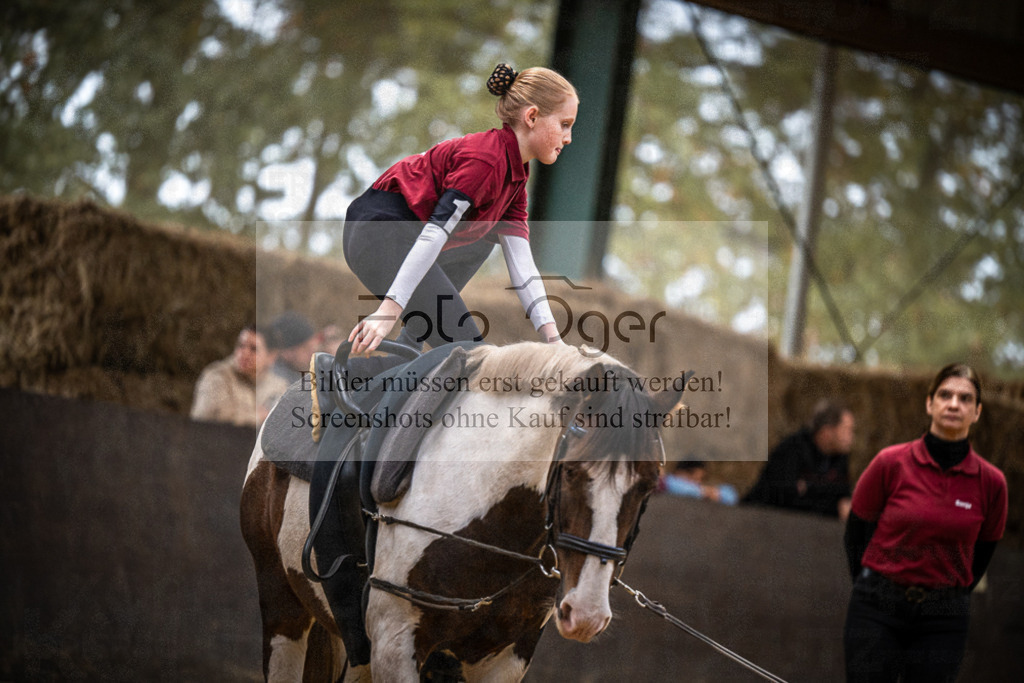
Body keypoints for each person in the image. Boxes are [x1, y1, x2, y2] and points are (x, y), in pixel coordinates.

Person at [343, 63, 578, 360]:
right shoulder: (486, 159)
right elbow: (433, 235)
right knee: (473, 357)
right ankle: (342, 382)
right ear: (532, 116)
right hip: (379, 232)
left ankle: (407, 347)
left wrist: (554, 341)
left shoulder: (515, 179)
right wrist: (390, 309)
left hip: (404, 236)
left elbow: (522, 264)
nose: (568, 138)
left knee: (484, 237)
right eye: (565, 124)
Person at [843, 363, 1007, 682]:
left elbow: (982, 554)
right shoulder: (889, 463)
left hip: (943, 620)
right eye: (945, 395)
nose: (954, 404)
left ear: (977, 412)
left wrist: (945, 592)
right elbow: (856, 533)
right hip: (877, 608)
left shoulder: (992, 483)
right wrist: (876, 584)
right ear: (929, 403)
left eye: (965, 398)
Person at [742, 399, 855, 519]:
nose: (851, 437)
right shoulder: (792, 450)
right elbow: (785, 498)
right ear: (826, 432)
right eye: (846, 430)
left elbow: (843, 495)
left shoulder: (839, 458)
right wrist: (832, 507)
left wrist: (808, 489)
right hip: (759, 520)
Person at [190, 324, 288, 427]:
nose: (244, 353)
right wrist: (257, 417)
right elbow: (215, 419)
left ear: (271, 356)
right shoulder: (216, 377)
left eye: (253, 349)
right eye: (241, 345)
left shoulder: (278, 386)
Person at [268, 310, 320, 384]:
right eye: (306, 349)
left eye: (314, 347)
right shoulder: (277, 384)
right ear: (286, 353)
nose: (313, 354)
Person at [659, 460, 739, 505]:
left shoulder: (698, 490)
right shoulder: (667, 481)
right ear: (680, 472)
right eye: (693, 478)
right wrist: (704, 492)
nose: (696, 482)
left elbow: (731, 496)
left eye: (698, 479)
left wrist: (715, 493)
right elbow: (673, 485)